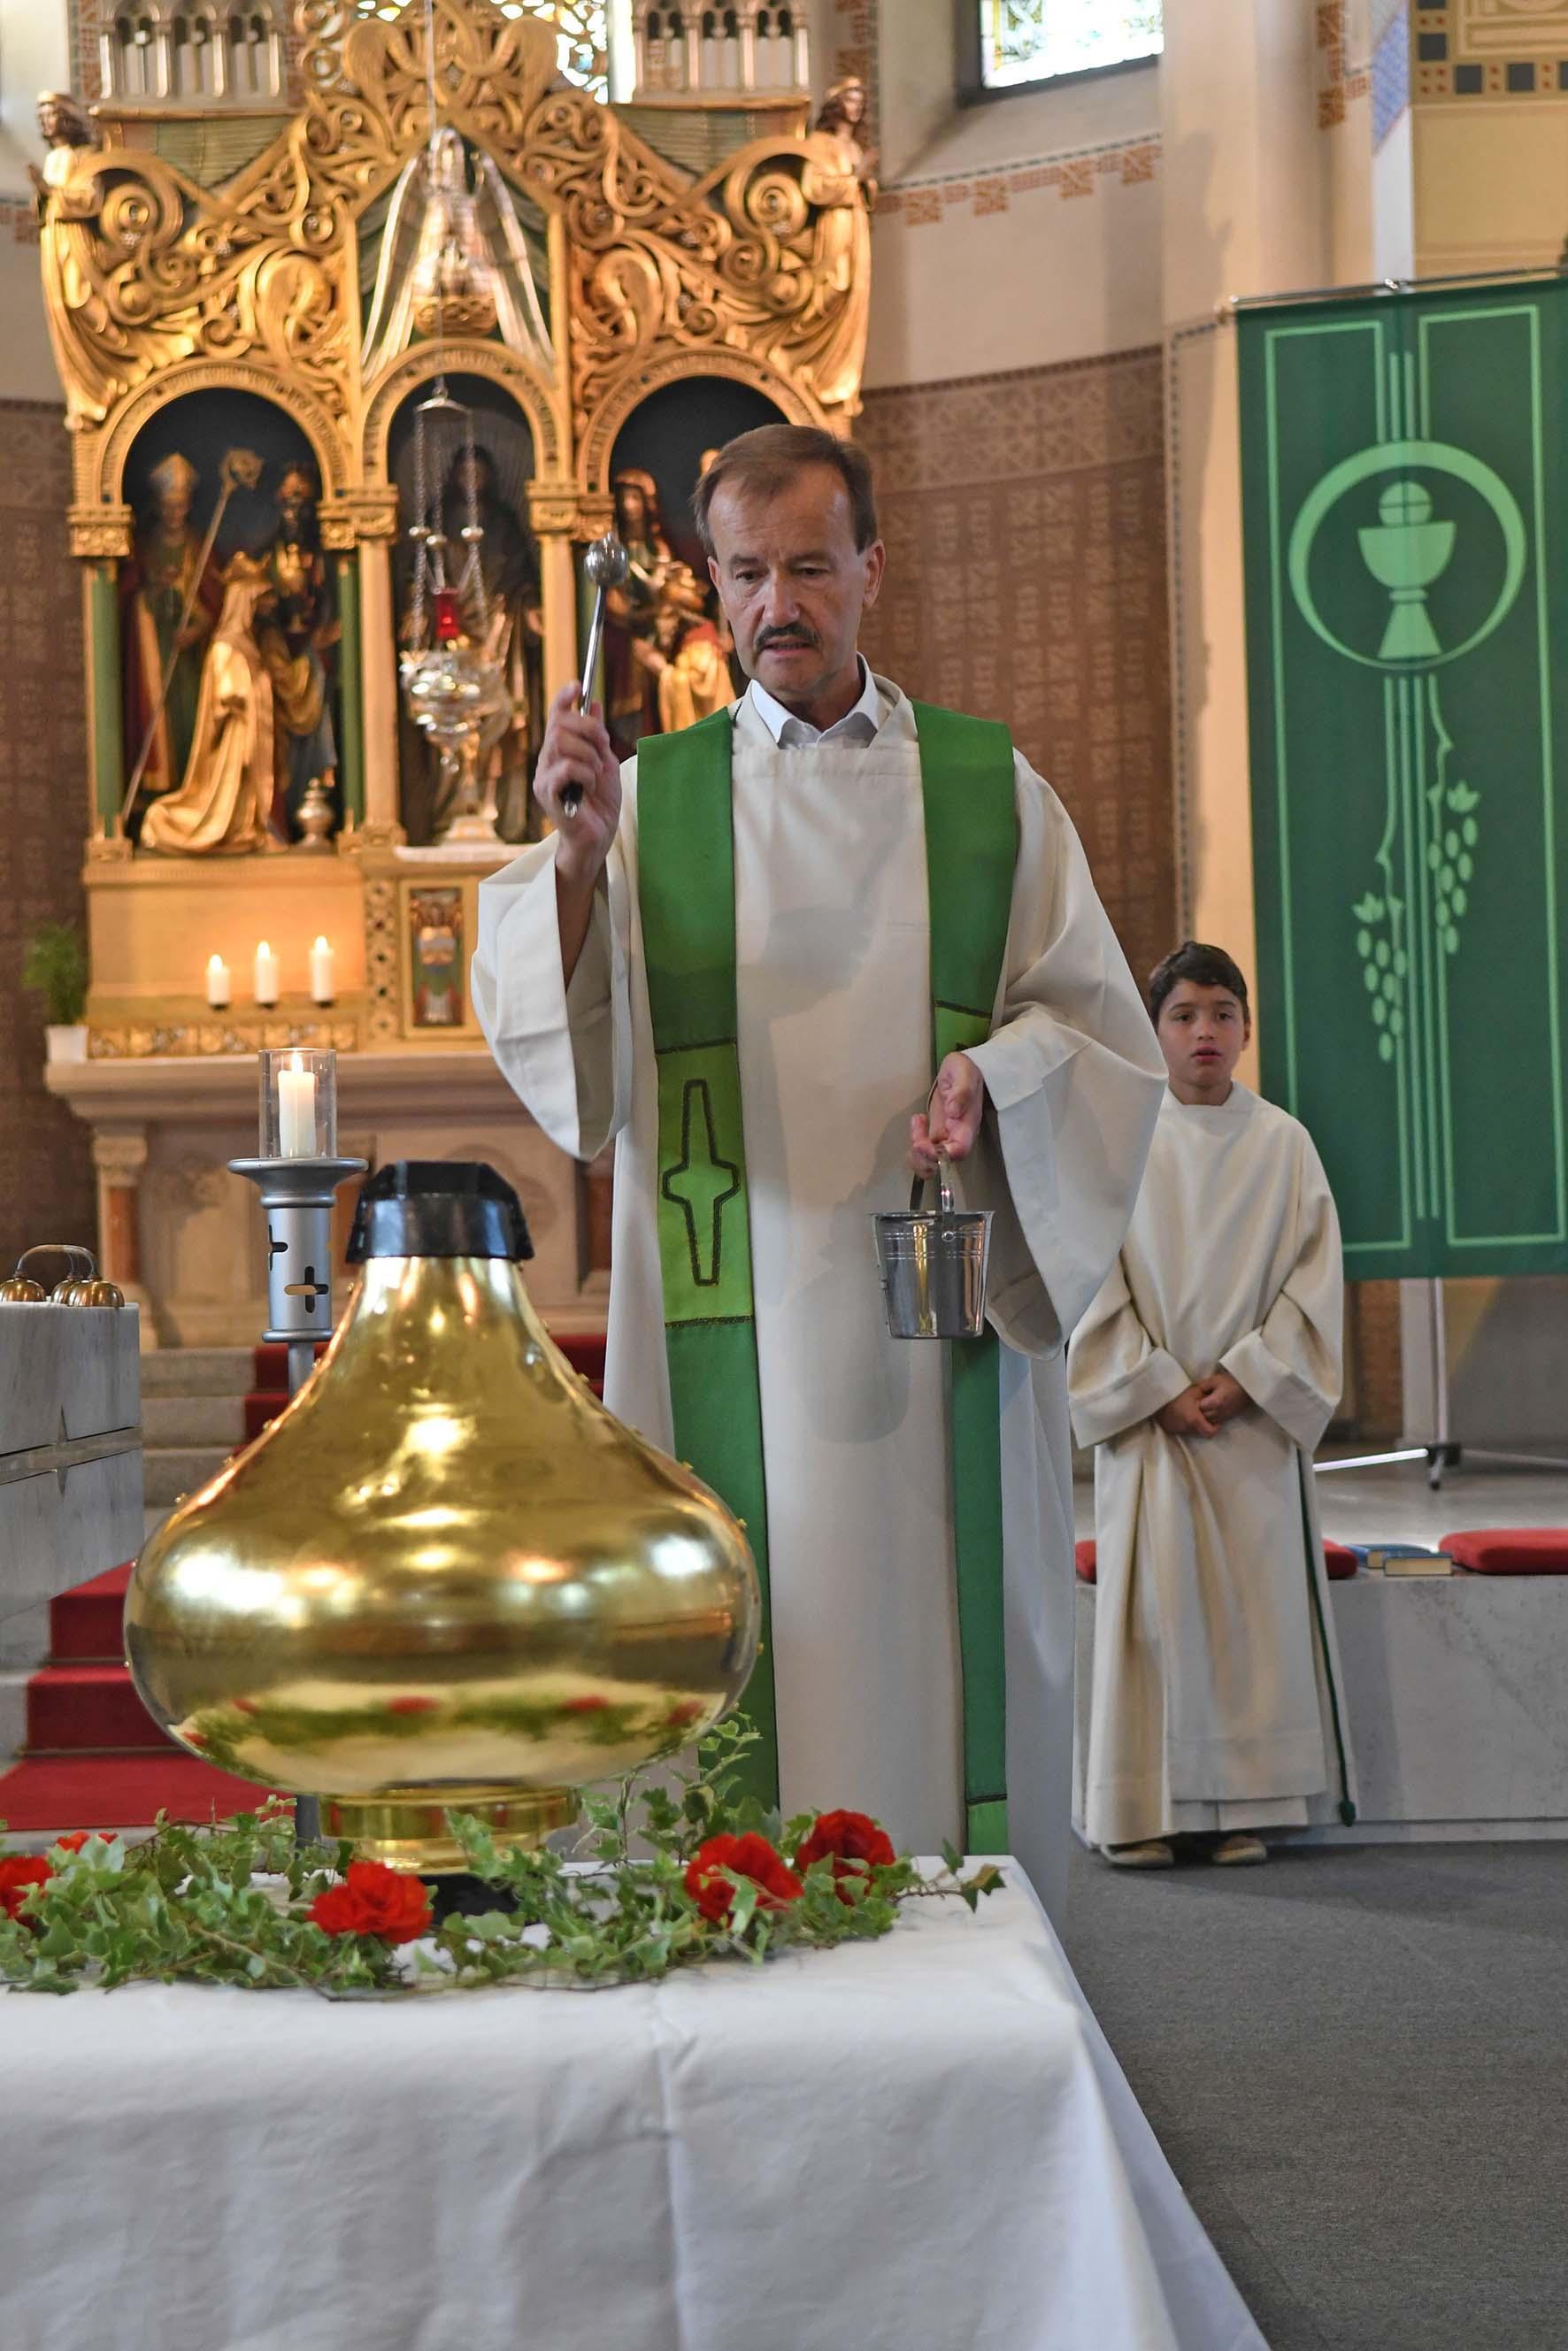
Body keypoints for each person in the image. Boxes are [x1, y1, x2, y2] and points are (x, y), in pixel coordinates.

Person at [473, 423, 1164, 1916]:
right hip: (739, 1320)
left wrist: (1000, 1075)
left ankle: (975, 1967)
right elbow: (579, 1082)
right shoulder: (648, 802)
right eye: (743, 574)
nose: (777, 603)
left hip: (940, 1318)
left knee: (940, 1647)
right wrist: (577, 867)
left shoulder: (991, 791)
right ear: (710, 592)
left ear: (868, 567)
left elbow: (1101, 1032)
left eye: (806, 565)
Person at [1068, 941, 1357, 1870]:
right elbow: (1088, 1276)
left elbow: (1313, 1283)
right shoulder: (1118, 1139)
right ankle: (1140, 1811)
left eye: (1221, 1014)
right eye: (1184, 1014)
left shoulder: (1282, 1143)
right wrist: (1152, 1386)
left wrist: (1247, 1377)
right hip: (1154, 1426)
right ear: (1153, 1030)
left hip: (1246, 1427)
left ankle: (1241, 1805)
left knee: (1246, 1627)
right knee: (1153, 1619)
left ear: (1244, 1030)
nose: (1204, 1031)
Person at [139, 554, 277, 856]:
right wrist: (247, 694)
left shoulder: (247, 644)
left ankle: (247, 828)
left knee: (247, 792)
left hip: (251, 736)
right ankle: (219, 827)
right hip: (233, 739)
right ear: (242, 604)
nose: (259, 610)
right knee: (229, 791)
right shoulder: (225, 646)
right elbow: (228, 696)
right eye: (254, 603)